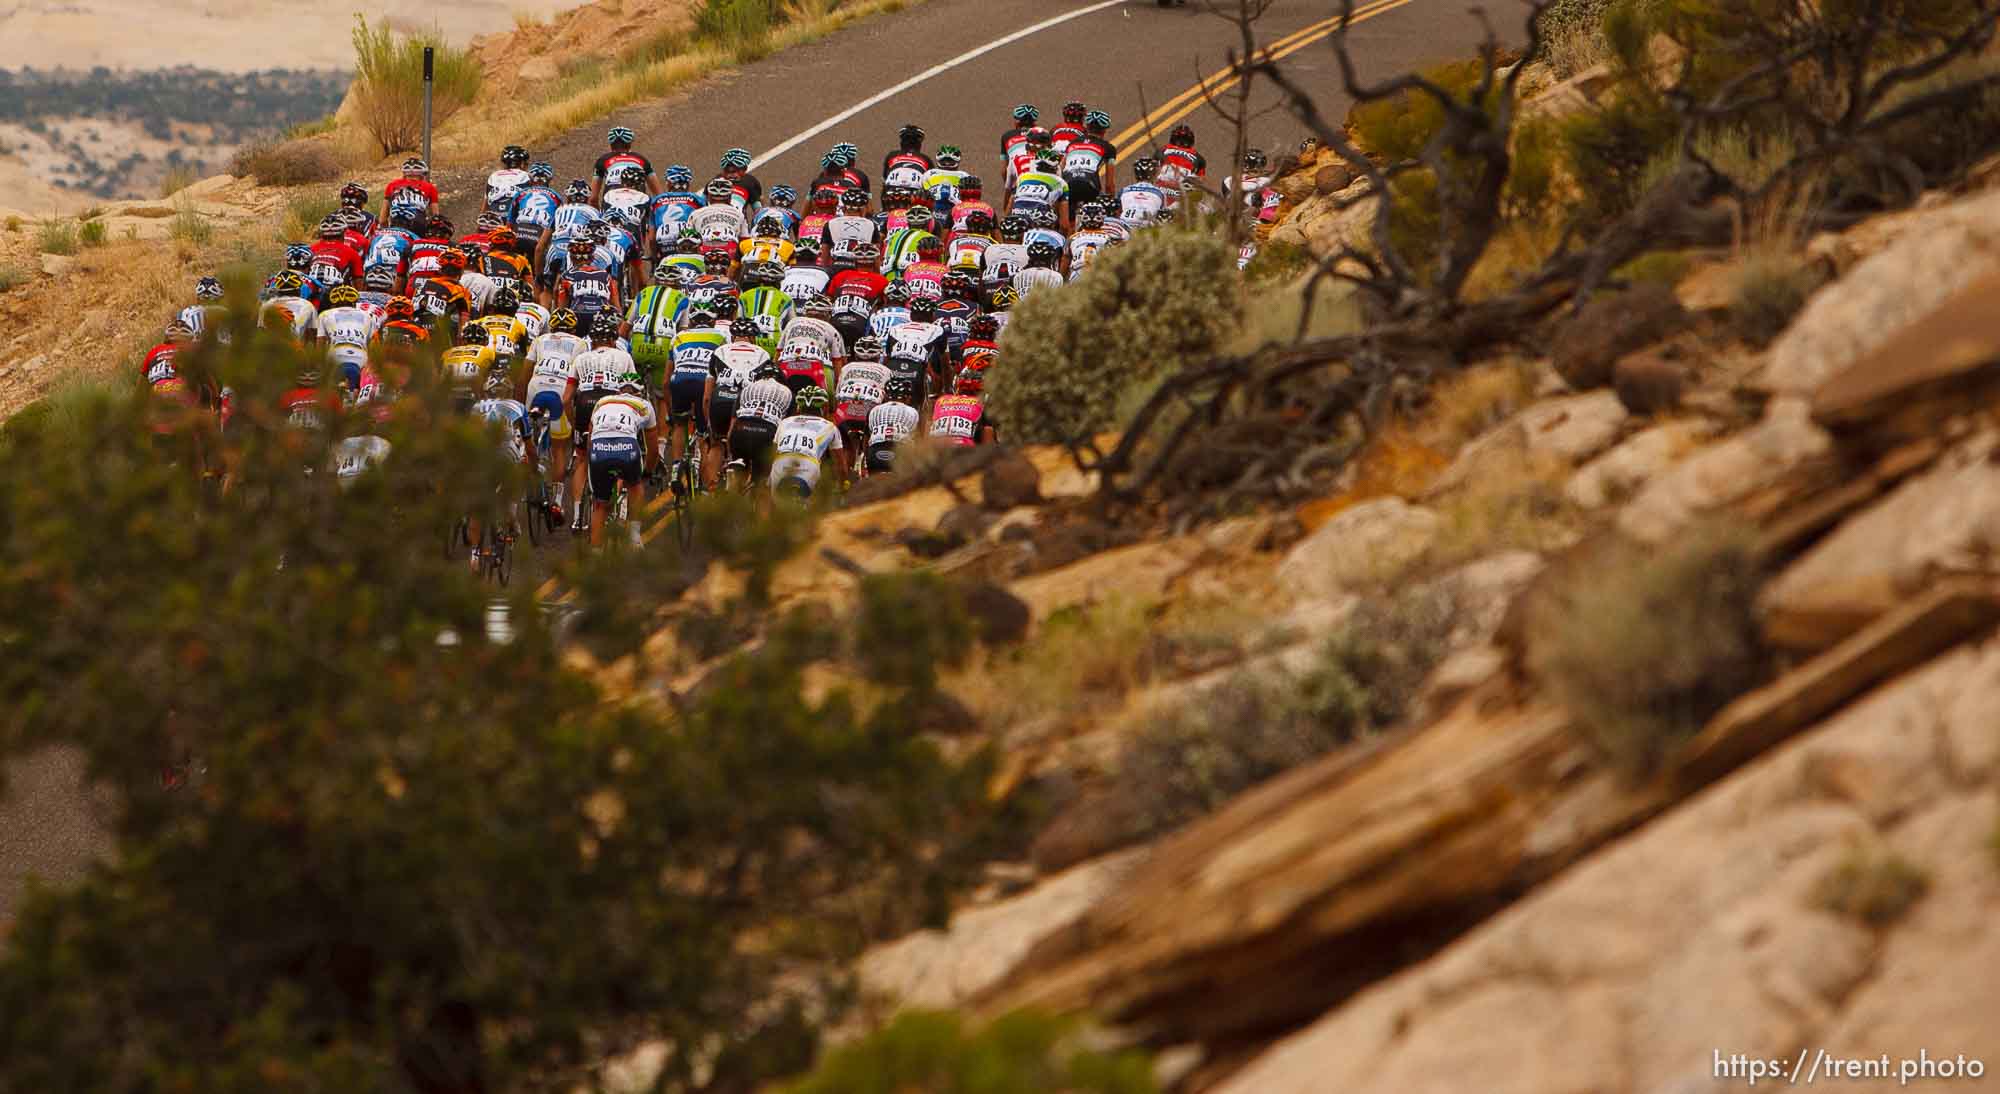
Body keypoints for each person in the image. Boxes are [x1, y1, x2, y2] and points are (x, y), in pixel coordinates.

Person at [567, 314, 640, 529]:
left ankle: (578, 516)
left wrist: (574, 424)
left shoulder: (581, 358)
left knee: (581, 459)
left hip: (584, 403)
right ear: (612, 340)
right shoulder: (623, 356)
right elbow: (632, 392)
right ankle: (617, 501)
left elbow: (565, 398)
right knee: (619, 449)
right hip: (610, 403)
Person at [525, 308, 589, 511]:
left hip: (536, 386)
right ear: (574, 328)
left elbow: (526, 371)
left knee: (525, 436)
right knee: (560, 447)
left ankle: (527, 474)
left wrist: (519, 403)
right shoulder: (580, 343)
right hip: (561, 389)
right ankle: (557, 501)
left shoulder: (540, 339)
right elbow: (580, 378)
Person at [585, 379, 660, 548]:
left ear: (618, 393)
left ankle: (595, 556)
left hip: (599, 447)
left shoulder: (602, 402)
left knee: (600, 505)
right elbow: (653, 450)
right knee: (635, 485)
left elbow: (590, 441)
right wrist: (646, 472)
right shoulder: (644, 405)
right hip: (627, 447)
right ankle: (634, 536)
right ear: (639, 393)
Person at [768, 385, 846, 504]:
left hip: (780, 463)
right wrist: (843, 486)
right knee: (811, 507)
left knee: (775, 507)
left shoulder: (785, 422)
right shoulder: (829, 426)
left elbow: (772, 455)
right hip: (808, 464)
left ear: (799, 407)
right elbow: (841, 466)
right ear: (824, 408)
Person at [725, 362, 792, 497]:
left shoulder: (747, 388)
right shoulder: (788, 393)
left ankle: (733, 487)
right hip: (766, 433)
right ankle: (759, 504)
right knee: (762, 480)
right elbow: (788, 428)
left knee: (738, 461)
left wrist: (730, 454)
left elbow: (731, 429)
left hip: (740, 430)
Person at [830, 334, 888, 471]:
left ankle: (843, 476)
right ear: (878, 356)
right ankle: (867, 467)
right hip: (870, 411)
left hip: (845, 411)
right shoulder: (886, 371)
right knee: (872, 442)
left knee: (844, 444)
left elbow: (837, 395)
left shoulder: (847, 368)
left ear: (856, 356)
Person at [316, 284, 376, 391]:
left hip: (335, 357)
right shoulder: (367, 316)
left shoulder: (325, 315)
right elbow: (374, 347)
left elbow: (319, 346)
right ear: (354, 304)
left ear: (333, 304)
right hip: (361, 358)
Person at [556, 236, 620, 329]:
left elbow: (562, 308)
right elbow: (616, 306)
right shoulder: (606, 276)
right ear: (593, 257)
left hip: (578, 316)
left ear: (571, 258)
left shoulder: (567, 276)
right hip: (602, 317)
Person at [865, 374, 922, 474]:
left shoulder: (874, 410)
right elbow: (920, 442)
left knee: (872, 485)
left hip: (874, 452)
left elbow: (866, 440)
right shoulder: (913, 412)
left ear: (886, 396)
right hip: (901, 453)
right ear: (907, 397)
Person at [928, 369, 998, 445]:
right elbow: (989, 431)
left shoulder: (941, 400)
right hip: (965, 449)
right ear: (978, 391)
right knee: (988, 430)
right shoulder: (979, 402)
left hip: (935, 449)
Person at [1062, 109, 1117, 206]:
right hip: (1089, 185)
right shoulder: (1108, 148)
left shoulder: (1072, 143)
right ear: (1104, 130)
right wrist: (1110, 204)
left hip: (1067, 183)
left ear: (1086, 126)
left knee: (1065, 218)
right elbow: (1109, 184)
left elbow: (1061, 169)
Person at [511, 162, 563, 265]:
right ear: (549, 180)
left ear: (530, 179)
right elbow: (558, 224)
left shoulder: (520, 193)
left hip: (519, 233)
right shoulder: (556, 197)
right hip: (539, 236)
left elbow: (510, 222)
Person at [593, 126, 657, 204]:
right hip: (637, 201)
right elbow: (658, 195)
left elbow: (593, 198)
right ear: (630, 144)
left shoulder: (602, 160)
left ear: (611, 144)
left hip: (612, 201)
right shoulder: (642, 159)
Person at [308, 215, 365, 288]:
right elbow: (358, 284)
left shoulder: (311, 249)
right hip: (337, 295)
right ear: (343, 232)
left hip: (310, 293)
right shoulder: (352, 253)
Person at [1066, 200, 1116, 280]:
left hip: (1077, 272)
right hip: (1100, 273)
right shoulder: (1109, 238)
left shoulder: (1072, 238)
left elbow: (1065, 260)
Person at [1157, 123, 1208, 200]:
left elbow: (1152, 172)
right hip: (1182, 194)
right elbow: (1201, 182)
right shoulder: (1199, 158)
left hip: (1160, 189)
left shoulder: (1162, 150)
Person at [1117, 156, 1170, 226]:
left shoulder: (1124, 190)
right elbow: (1163, 215)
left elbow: (1117, 213)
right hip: (1145, 229)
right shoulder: (1160, 193)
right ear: (1153, 174)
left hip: (1125, 225)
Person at [384, 157, 439, 223]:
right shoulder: (430, 187)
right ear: (423, 175)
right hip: (417, 225)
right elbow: (436, 216)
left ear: (404, 173)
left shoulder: (392, 185)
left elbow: (382, 220)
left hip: (395, 224)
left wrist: (386, 229)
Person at [883, 123, 932, 189]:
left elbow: (885, 177)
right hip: (915, 195)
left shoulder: (892, 155)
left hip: (892, 193)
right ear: (919, 144)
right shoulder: (926, 159)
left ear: (902, 142)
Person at [487, 145, 532, 214]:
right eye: (526, 163)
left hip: (494, 216)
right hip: (515, 216)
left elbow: (486, 204)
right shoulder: (525, 175)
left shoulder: (493, 176)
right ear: (522, 164)